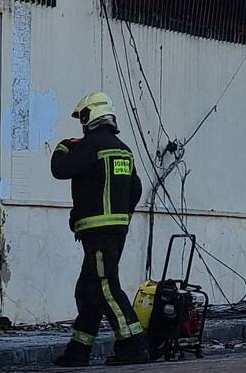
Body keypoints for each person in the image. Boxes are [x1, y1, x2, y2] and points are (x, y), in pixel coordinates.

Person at [50, 92, 147, 367]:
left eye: (82, 119)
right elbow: (136, 188)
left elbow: (60, 168)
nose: (80, 126)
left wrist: (62, 146)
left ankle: (133, 344)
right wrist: (122, 216)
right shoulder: (123, 149)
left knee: (105, 286)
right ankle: (79, 350)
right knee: (88, 289)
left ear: (89, 116)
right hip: (116, 231)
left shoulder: (89, 147)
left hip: (98, 233)